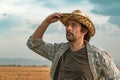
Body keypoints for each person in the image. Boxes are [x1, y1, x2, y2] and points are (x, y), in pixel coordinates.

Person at [27, 10, 120, 80]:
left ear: (84, 30)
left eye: (73, 25)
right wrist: (47, 21)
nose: (68, 28)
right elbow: (34, 44)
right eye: (67, 24)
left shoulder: (99, 56)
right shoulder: (58, 51)